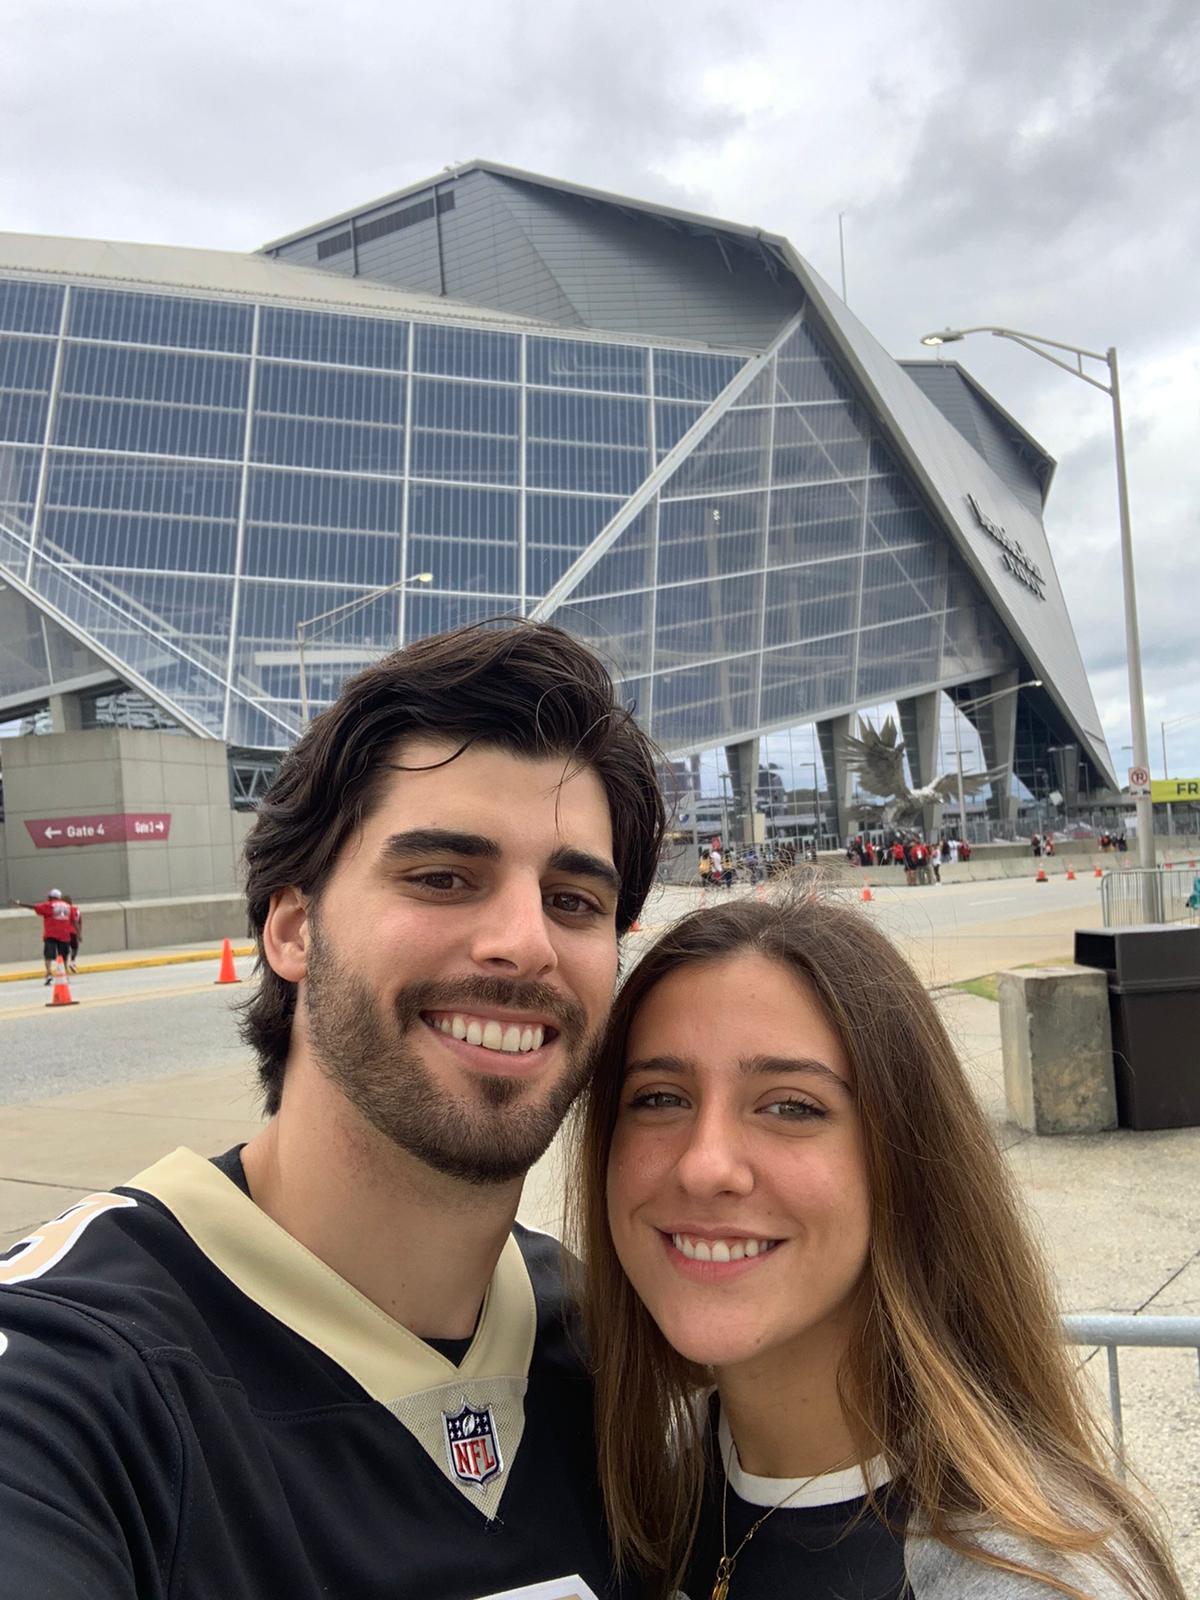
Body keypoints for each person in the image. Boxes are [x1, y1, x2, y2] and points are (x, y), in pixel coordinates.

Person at [0, 621, 666, 1600]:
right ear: (293, 929)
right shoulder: (70, 1375)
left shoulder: (621, 1345)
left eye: (573, 901)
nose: (526, 943)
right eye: (443, 877)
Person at [570, 894, 1186, 1600]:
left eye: (791, 1106)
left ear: (908, 1159)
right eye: (659, 1097)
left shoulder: (1028, 1580)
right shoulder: (642, 1489)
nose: (704, 1165)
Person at [9, 886, 75, 983]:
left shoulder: (49, 905)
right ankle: (65, 973)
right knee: (64, 956)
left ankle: (49, 973)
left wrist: (19, 904)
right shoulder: (68, 906)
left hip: (51, 934)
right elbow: (73, 919)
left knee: (48, 956)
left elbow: (34, 907)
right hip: (64, 934)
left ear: (51, 897)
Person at [66, 892, 82, 974]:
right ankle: (72, 962)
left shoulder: (62, 909)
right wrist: (79, 933)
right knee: (74, 948)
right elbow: (79, 921)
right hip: (73, 932)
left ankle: (65, 965)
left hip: (64, 932)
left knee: (65, 950)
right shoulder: (76, 909)